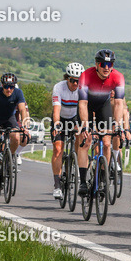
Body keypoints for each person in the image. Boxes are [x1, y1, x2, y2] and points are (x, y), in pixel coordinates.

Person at [77, 49, 126, 198]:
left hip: (103, 106)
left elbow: (119, 104)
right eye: (102, 64)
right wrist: (85, 125)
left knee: (106, 143)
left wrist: (117, 125)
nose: (106, 67)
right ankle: (83, 181)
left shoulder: (118, 77)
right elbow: (83, 103)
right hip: (87, 105)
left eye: (109, 64)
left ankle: (103, 179)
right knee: (86, 141)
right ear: (96, 64)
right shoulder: (86, 76)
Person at [0, 73, 31, 193]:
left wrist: (24, 126)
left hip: (9, 118)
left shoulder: (18, 92)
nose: (9, 89)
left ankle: (9, 157)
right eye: (6, 86)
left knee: (16, 136)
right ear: (2, 86)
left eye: (11, 87)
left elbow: (22, 109)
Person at [51, 62, 85, 200]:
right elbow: (56, 109)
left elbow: (84, 109)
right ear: (67, 78)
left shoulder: (83, 89)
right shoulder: (59, 87)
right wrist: (57, 124)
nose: (75, 84)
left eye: (78, 81)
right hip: (60, 118)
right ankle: (57, 185)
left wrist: (82, 125)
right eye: (72, 80)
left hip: (75, 118)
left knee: (80, 138)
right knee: (58, 149)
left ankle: (75, 161)